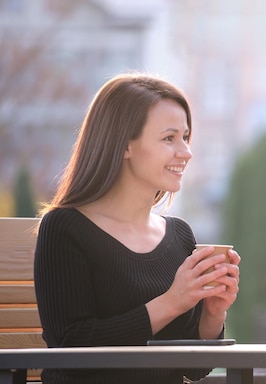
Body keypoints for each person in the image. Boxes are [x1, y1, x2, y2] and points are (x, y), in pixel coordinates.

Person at [34, 73, 241, 384]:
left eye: (185, 136)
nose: (185, 152)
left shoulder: (180, 235)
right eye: (169, 138)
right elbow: (70, 348)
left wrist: (212, 314)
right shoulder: (65, 228)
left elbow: (193, 369)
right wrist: (172, 301)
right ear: (125, 145)